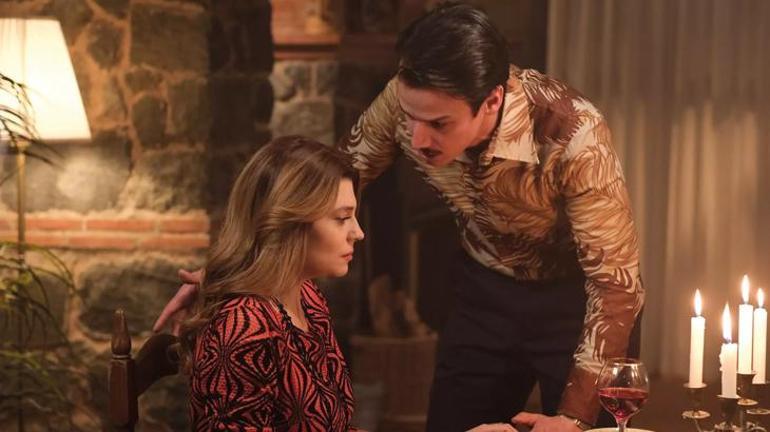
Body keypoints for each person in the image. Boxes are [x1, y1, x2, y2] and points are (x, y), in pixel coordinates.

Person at [159, 3, 644, 431]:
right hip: (483, 290)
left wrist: (575, 418)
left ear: (492, 102)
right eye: (409, 118)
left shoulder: (574, 130)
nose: (416, 139)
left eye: (439, 124)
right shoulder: (405, 97)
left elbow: (615, 284)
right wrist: (234, 273)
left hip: (576, 301)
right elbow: (319, 191)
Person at [179, 136, 365, 431]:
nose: (358, 232)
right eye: (342, 218)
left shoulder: (307, 295)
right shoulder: (245, 327)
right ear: (289, 224)